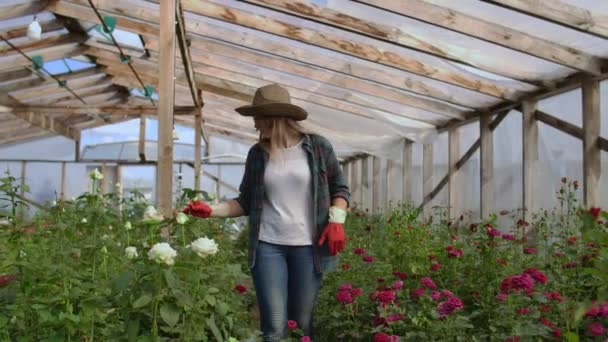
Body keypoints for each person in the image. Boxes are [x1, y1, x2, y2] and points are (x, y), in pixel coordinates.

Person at [183, 83, 350, 341]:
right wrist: (211, 210)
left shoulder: (318, 147)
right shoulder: (258, 154)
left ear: (272, 118)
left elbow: (340, 188)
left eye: (257, 118)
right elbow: (246, 201)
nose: (254, 125)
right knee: (273, 325)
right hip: (268, 246)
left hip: (308, 246)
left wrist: (336, 220)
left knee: (301, 323)